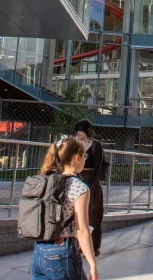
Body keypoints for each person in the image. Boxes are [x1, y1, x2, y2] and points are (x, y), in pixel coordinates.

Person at [30, 137, 98, 280]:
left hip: (39, 251)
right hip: (62, 253)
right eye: (84, 156)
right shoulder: (79, 187)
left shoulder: (46, 181)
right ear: (76, 158)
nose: (85, 160)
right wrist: (92, 264)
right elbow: (82, 231)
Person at [74, 119, 107, 257]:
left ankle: (93, 246)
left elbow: (98, 164)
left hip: (91, 179)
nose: (79, 133)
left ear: (87, 131)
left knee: (93, 211)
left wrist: (89, 182)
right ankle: (79, 245)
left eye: (81, 130)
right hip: (78, 176)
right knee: (79, 212)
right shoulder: (76, 144)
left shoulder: (95, 145)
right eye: (77, 131)